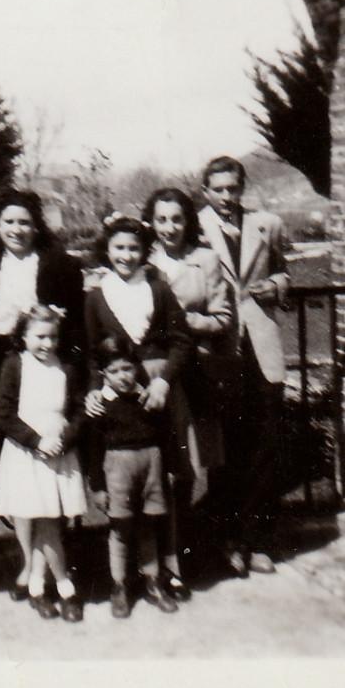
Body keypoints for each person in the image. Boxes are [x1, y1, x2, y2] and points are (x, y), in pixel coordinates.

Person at [0, 189, 85, 599]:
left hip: (46, 374)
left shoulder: (62, 268)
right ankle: (30, 563)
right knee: (11, 479)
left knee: (48, 475)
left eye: (25, 222)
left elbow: (76, 337)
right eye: (9, 222)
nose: (17, 230)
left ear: (37, 226)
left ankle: (43, 568)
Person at [197, 156, 291, 577]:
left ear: (242, 188)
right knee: (226, 450)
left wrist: (273, 286)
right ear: (206, 191)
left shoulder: (266, 224)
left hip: (262, 345)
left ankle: (260, 542)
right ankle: (229, 541)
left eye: (233, 188)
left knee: (265, 446)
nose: (226, 197)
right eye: (218, 189)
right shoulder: (195, 226)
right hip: (220, 350)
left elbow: (284, 271)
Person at [142, 187, 232, 599]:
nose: (169, 228)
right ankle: (157, 560)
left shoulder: (206, 259)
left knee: (190, 469)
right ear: (152, 222)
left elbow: (223, 318)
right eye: (161, 220)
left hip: (195, 373)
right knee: (157, 467)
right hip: (156, 374)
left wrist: (183, 323)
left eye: (176, 219)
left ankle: (186, 556)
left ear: (187, 221)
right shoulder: (143, 263)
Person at [0, 304, 87, 622]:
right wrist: (36, 441)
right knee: (44, 524)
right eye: (40, 337)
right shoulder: (14, 365)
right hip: (27, 453)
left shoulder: (66, 367)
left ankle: (36, 586)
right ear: (23, 336)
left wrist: (64, 439)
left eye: (53, 337)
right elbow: (4, 414)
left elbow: (77, 412)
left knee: (48, 524)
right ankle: (64, 588)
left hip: (58, 452)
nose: (47, 344)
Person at [82, 334, 179, 618]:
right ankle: (119, 586)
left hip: (152, 467)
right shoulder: (100, 406)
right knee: (121, 528)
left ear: (136, 367)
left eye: (127, 368)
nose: (122, 376)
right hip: (118, 471)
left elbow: (167, 436)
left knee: (150, 525)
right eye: (113, 371)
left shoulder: (148, 398)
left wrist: (169, 470)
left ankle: (152, 582)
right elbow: (93, 450)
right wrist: (98, 487)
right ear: (103, 374)